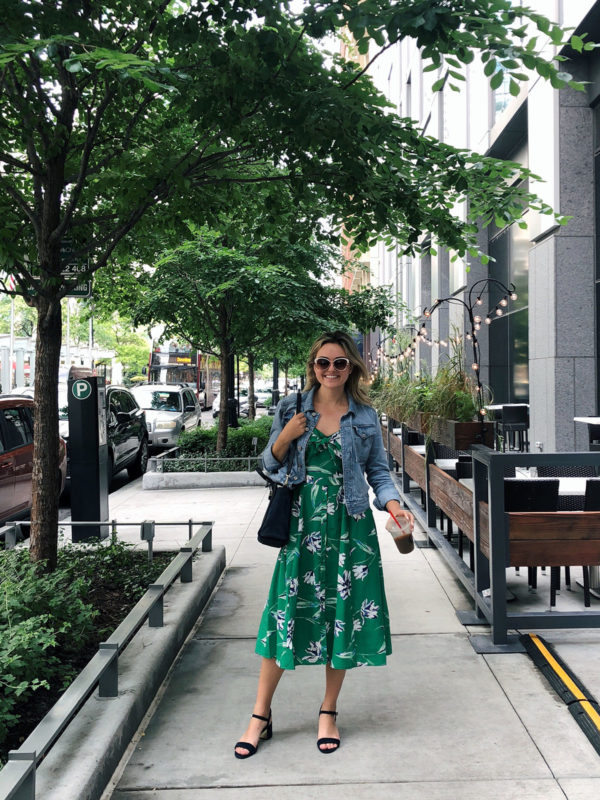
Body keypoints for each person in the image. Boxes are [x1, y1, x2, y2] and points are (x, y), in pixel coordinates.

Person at [234, 331, 414, 759]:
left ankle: (328, 711)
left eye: (340, 363)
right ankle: (260, 715)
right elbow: (267, 464)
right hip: (301, 527)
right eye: (322, 363)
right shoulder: (291, 408)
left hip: (351, 529)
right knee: (285, 611)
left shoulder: (365, 416)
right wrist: (285, 436)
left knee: (342, 616)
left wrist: (393, 505)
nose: (330, 370)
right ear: (312, 365)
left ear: (352, 367)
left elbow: (379, 472)